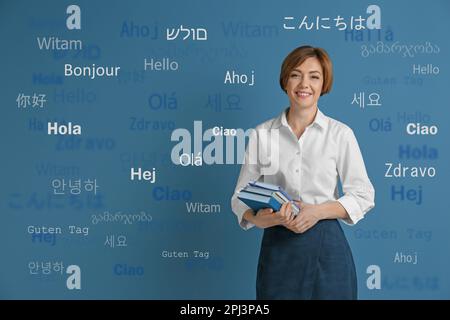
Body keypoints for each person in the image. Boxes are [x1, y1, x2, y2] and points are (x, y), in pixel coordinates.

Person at [231, 45, 375, 300]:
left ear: (323, 84)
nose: (304, 84)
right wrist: (259, 219)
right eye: (296, 74)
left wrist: (317, 211)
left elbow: (363, 195)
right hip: (278, 244)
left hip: (328, 247)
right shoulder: (262, 135)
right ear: (285, 80)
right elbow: (240, 196)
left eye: (314, 76)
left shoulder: (340, 134)